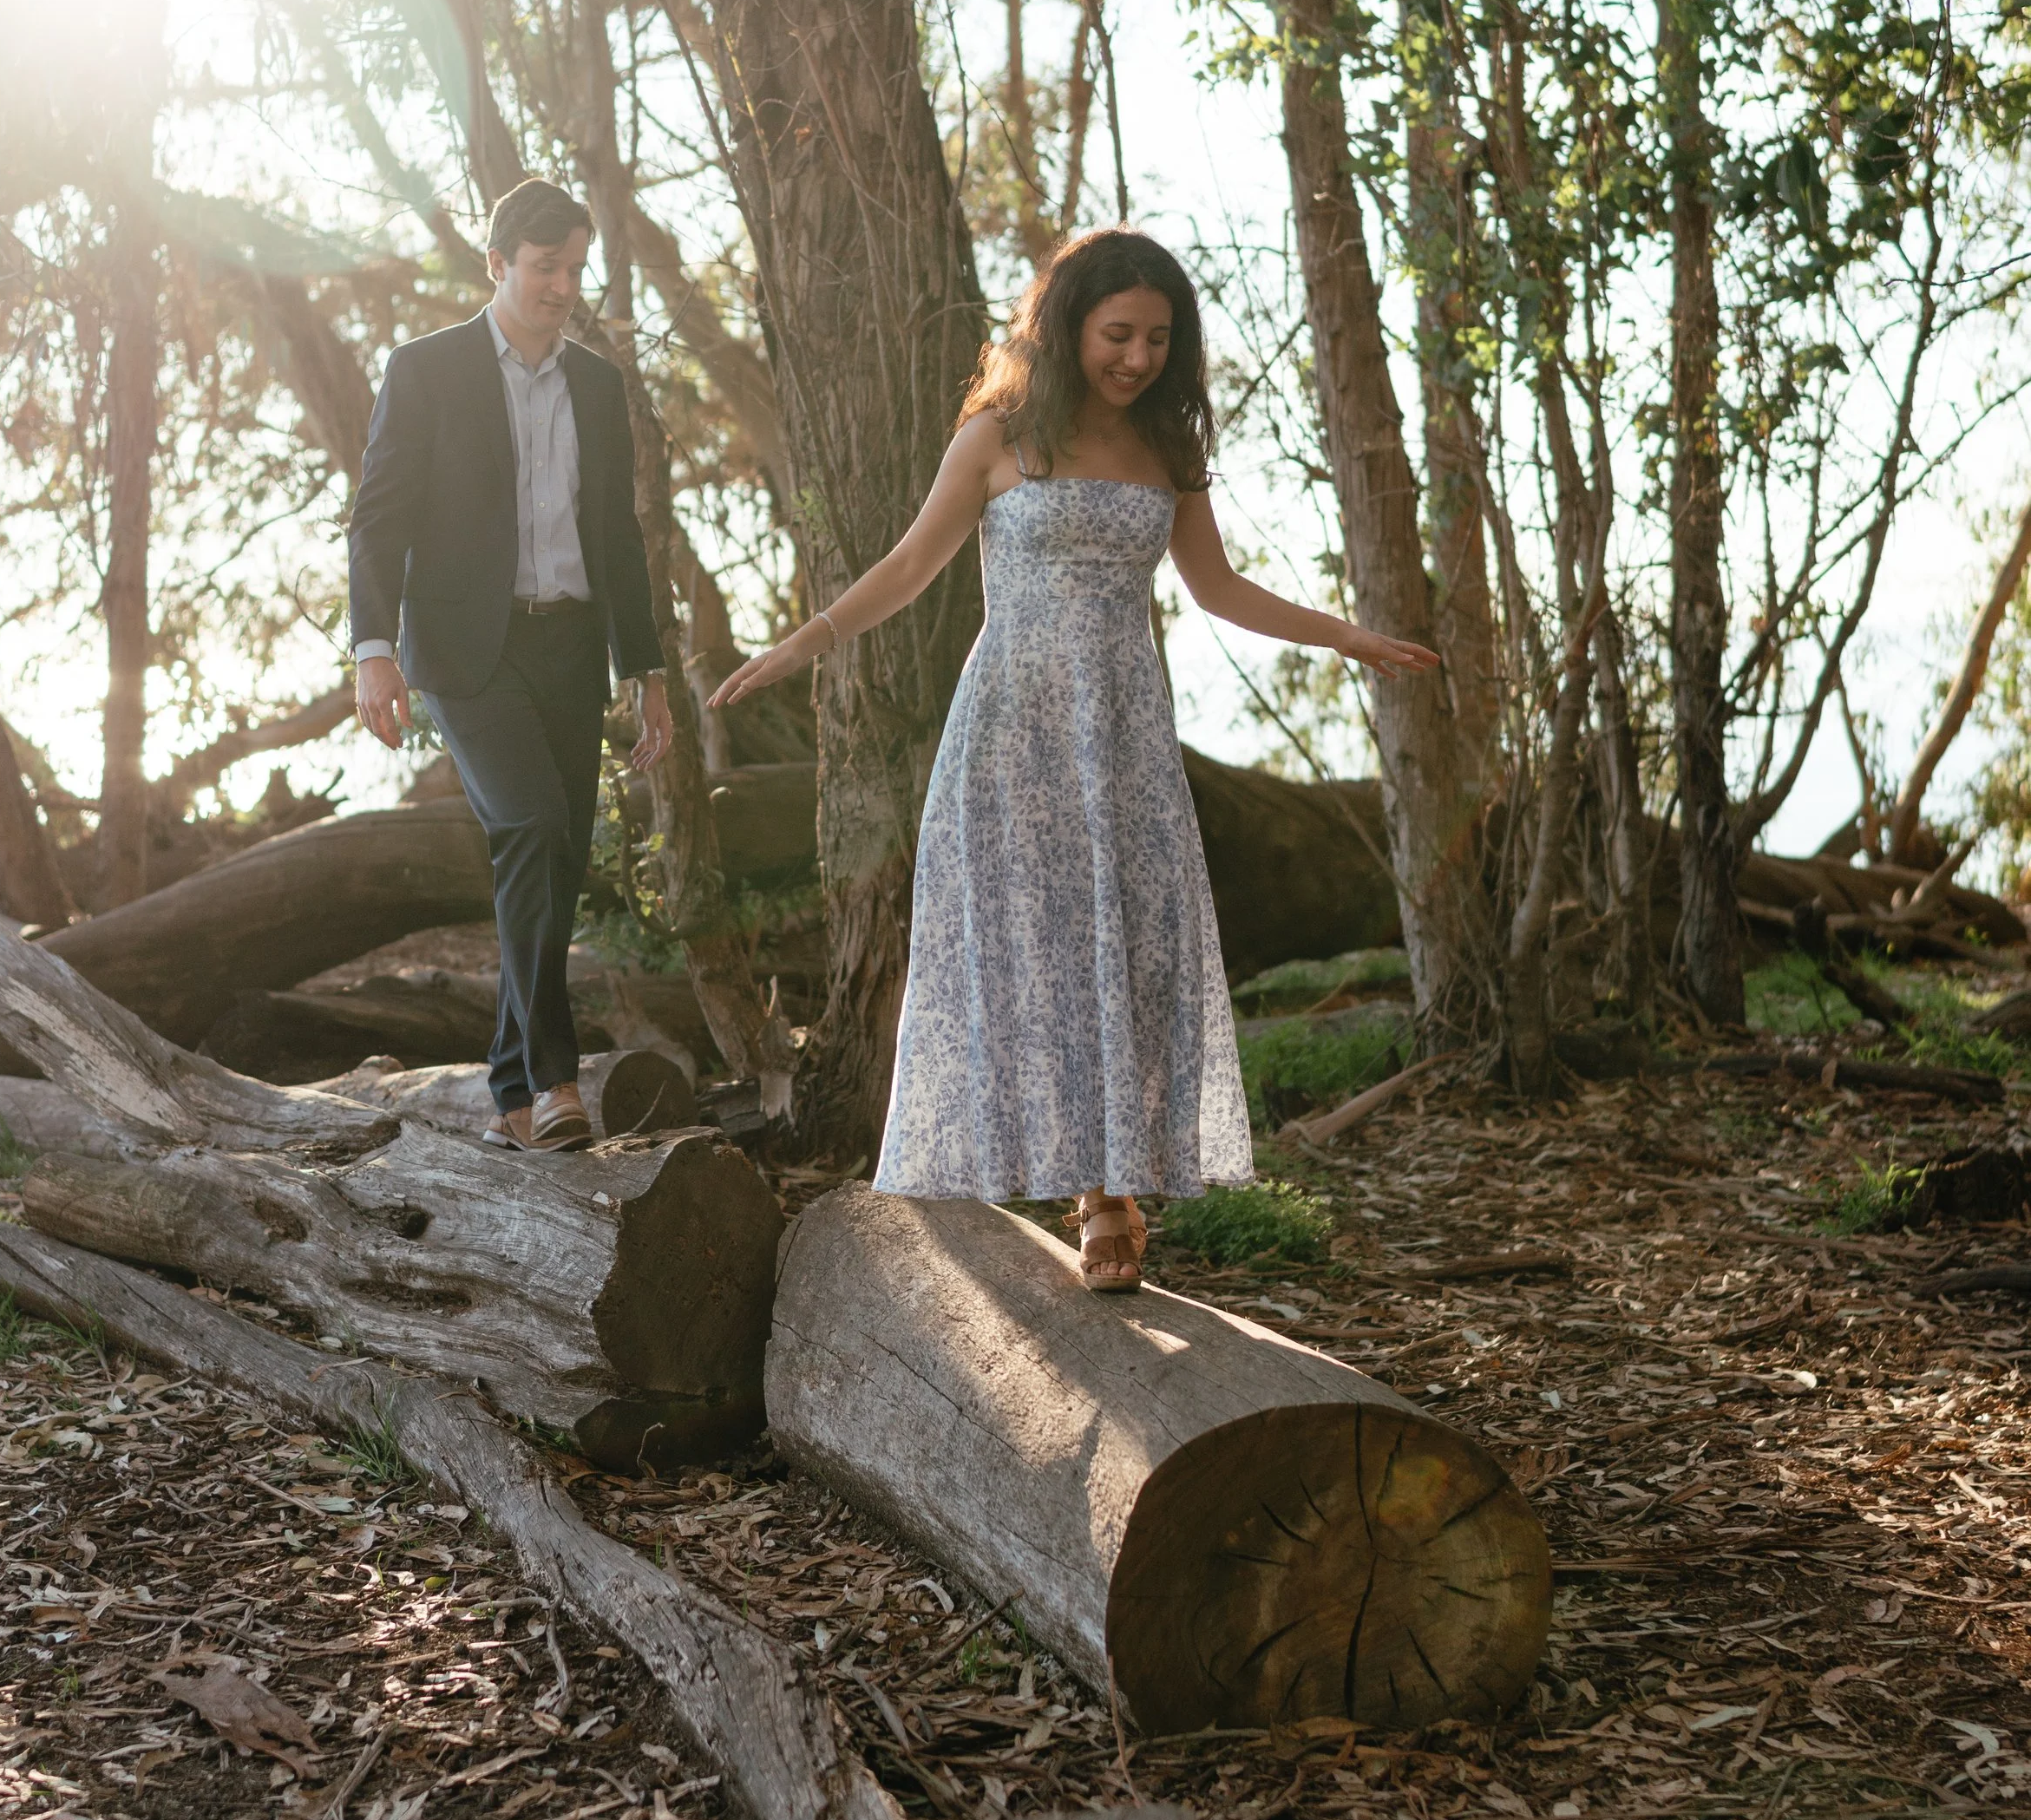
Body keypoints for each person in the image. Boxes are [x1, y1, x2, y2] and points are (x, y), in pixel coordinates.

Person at [710, 226, 1438, 1289]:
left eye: (1156, 338)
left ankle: (1111, 1190)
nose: (1136, 357)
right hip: (1011, 722)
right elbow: (913, 567)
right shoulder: (998, 436)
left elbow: (1217, 588)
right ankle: (1023, 1171)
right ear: (1065, 327)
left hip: (1123, 727)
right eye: (1116, 334)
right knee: (1025, 945)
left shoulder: (1168, 448)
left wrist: (1346, 634)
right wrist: (802, 643)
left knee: (1125, 943)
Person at [349, 179, 674, 1149]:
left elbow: (618, 536)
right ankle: (555, 1082)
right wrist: (373, 651)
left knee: (556, 854)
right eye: (545, 268)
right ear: (497, 264)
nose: (563, 287)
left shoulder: (599, 385)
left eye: (576, 268)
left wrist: (646, 670)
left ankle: (507, 1090)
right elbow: (380, 518)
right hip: (465, 652)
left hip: (570, 645)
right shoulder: (425, 370)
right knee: (530, 823)